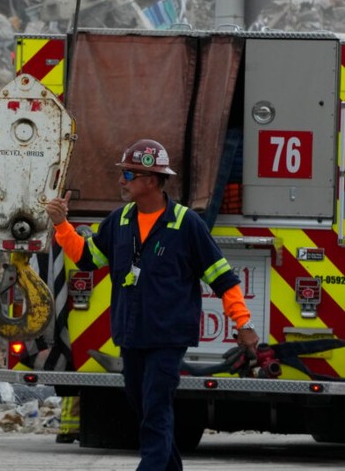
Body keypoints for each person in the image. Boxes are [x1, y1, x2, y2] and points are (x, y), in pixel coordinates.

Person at [44, 139, 260, 470]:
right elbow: (87, 258)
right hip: (131, 334)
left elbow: (223, 278)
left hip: (167, 337)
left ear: (151, 180)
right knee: (143, 406)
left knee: (156, 406)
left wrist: (243, 324)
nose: (121, 181)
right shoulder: (119, 221)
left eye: (128, 175)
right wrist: (62, 225)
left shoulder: (186, 224)